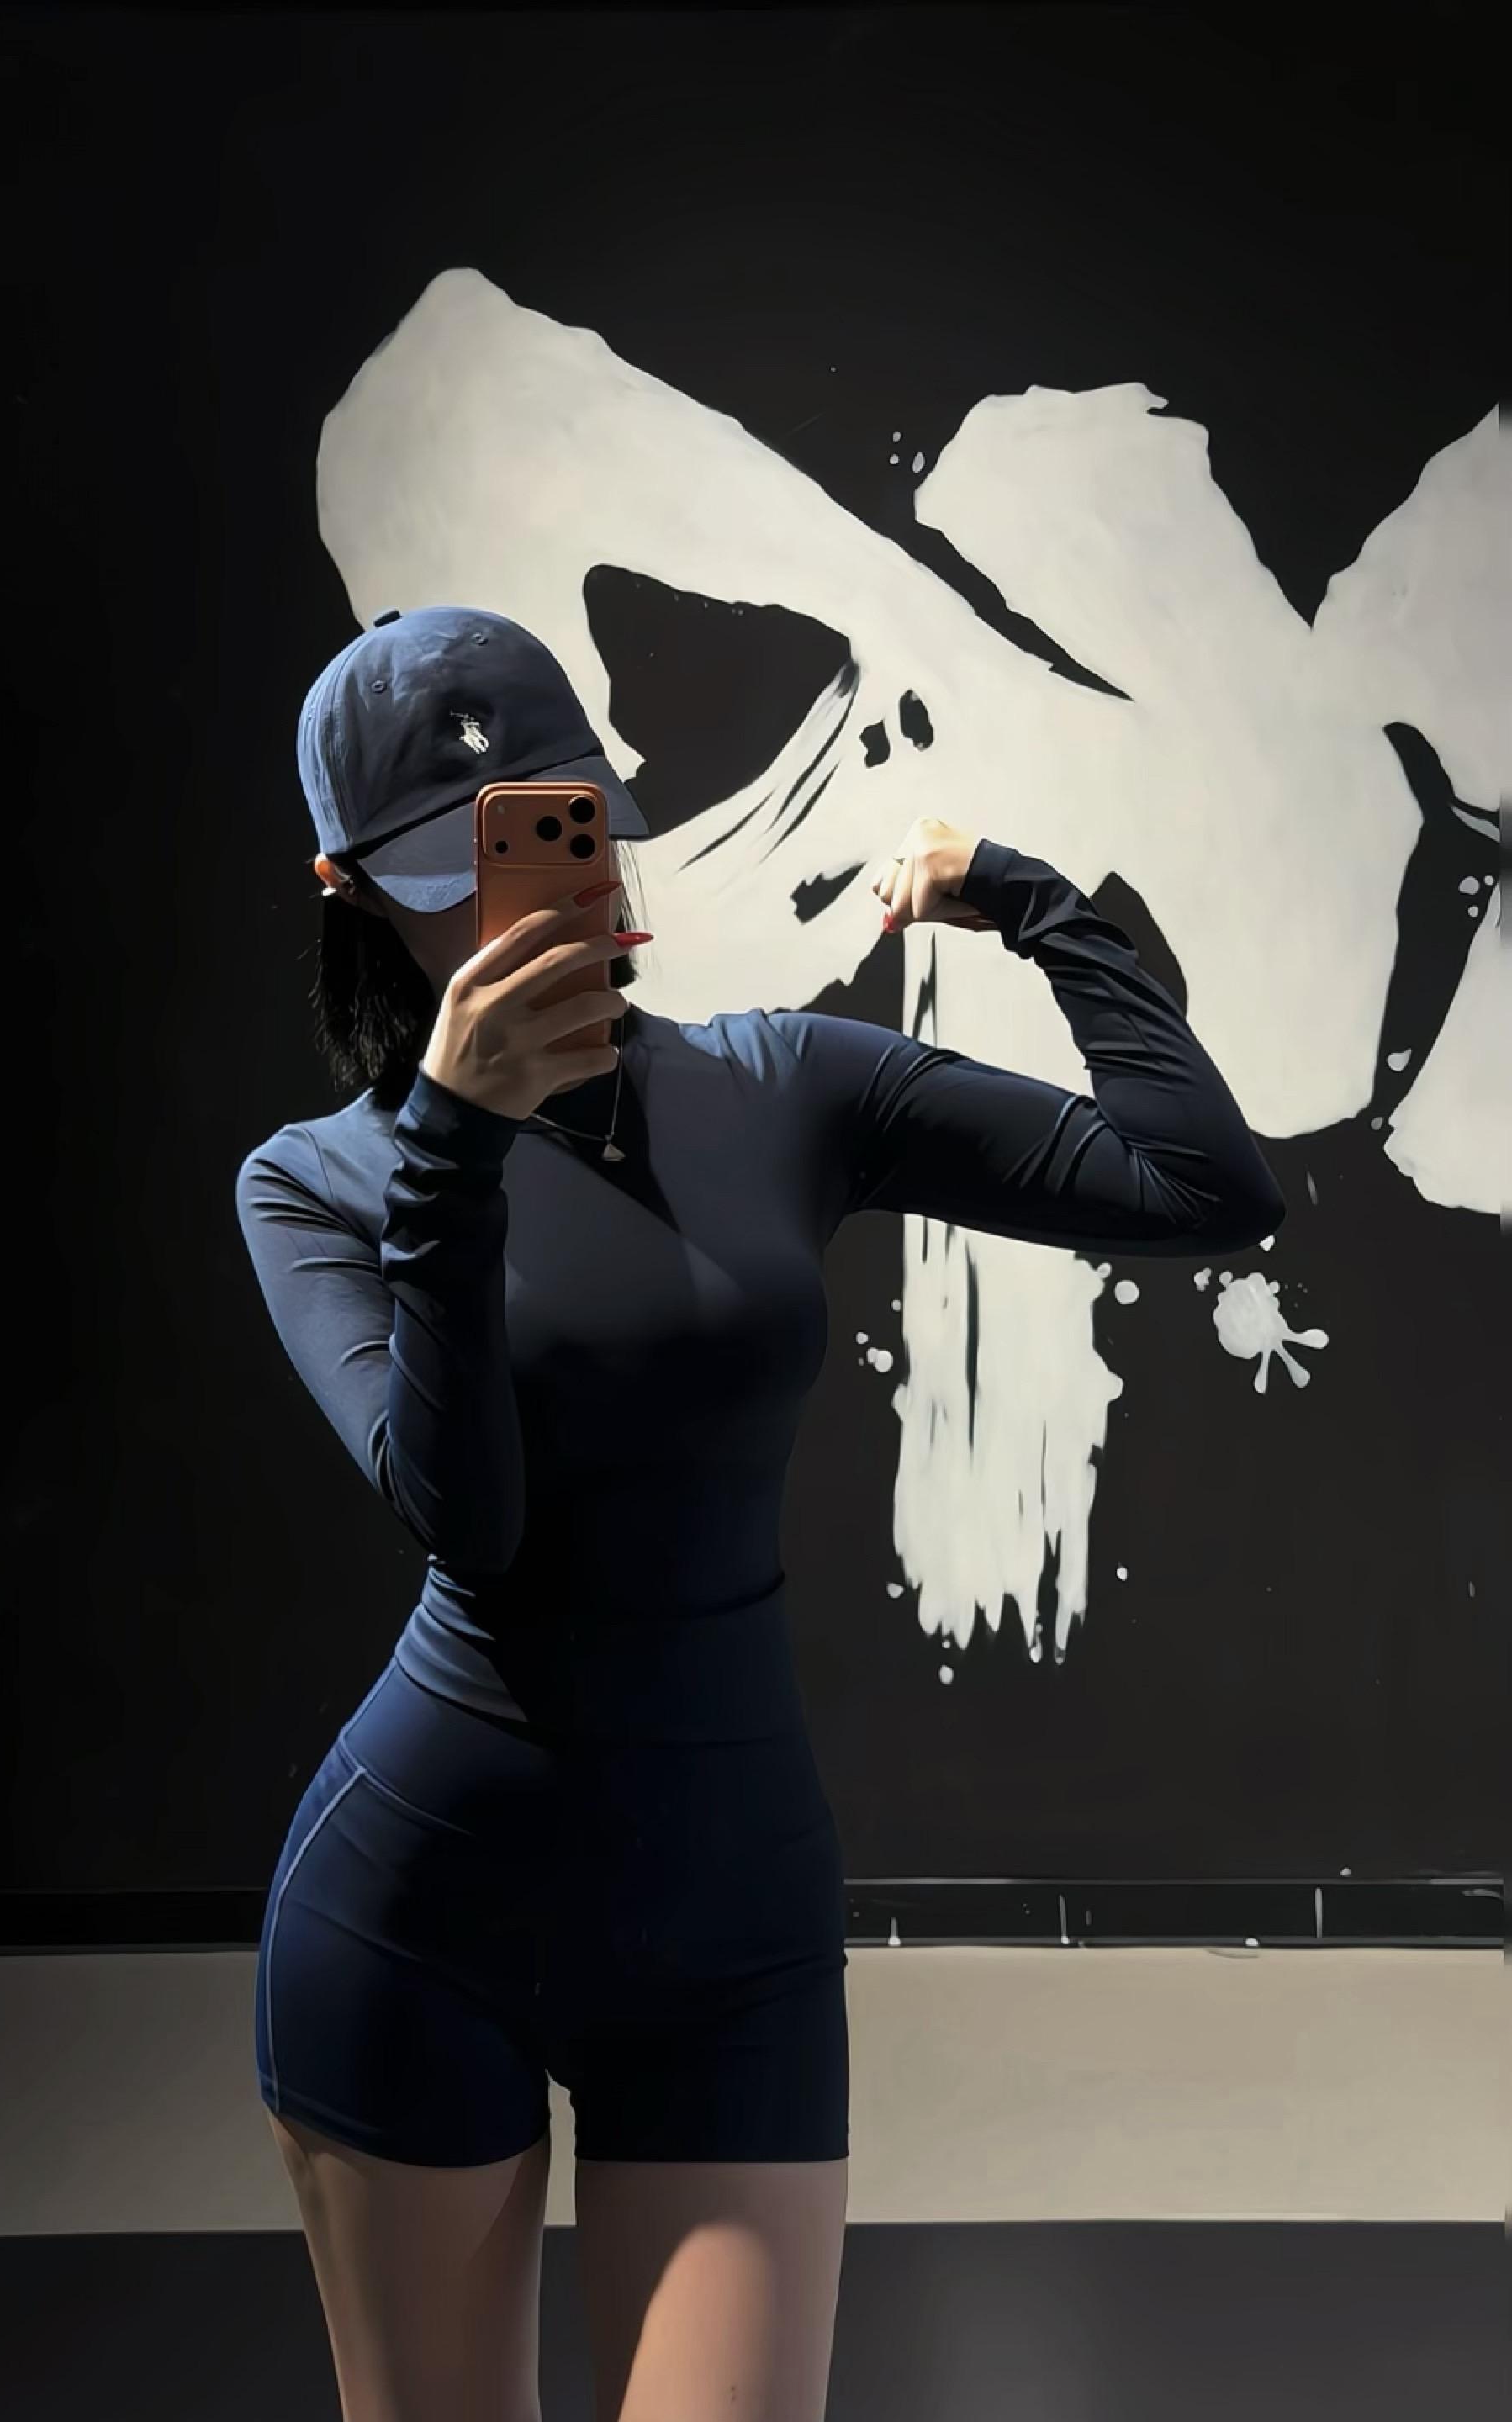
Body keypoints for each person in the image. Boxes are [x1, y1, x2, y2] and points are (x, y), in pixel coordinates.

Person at [235, 606, 1285, 2422]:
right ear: (352, 895)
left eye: (553, 832)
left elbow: (1206, 1187)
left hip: (731, 1923)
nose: (522, 900)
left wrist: (1030, 900)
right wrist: (454, 1154)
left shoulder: (785, 1086)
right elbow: (472, 1522)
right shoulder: (318, 1185)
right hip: (417, 1915)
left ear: (607, 815)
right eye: (447, 876)